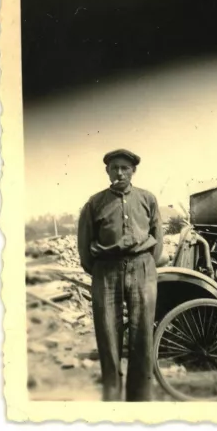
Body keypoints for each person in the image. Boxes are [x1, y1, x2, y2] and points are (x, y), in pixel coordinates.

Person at [77, 149, 163, 401]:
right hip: (106, 270)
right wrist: (100, 269)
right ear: (107, 171)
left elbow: (158, 237)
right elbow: (84, 245)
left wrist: (147, 264)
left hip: (142, 267)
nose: (119, 172)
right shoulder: (95, 203)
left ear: (133, 171)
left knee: (142, 331)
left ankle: (139, 397)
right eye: (114, 168)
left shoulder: (148, 198)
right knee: (107, 331)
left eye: (125, 168)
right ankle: (112, 396)